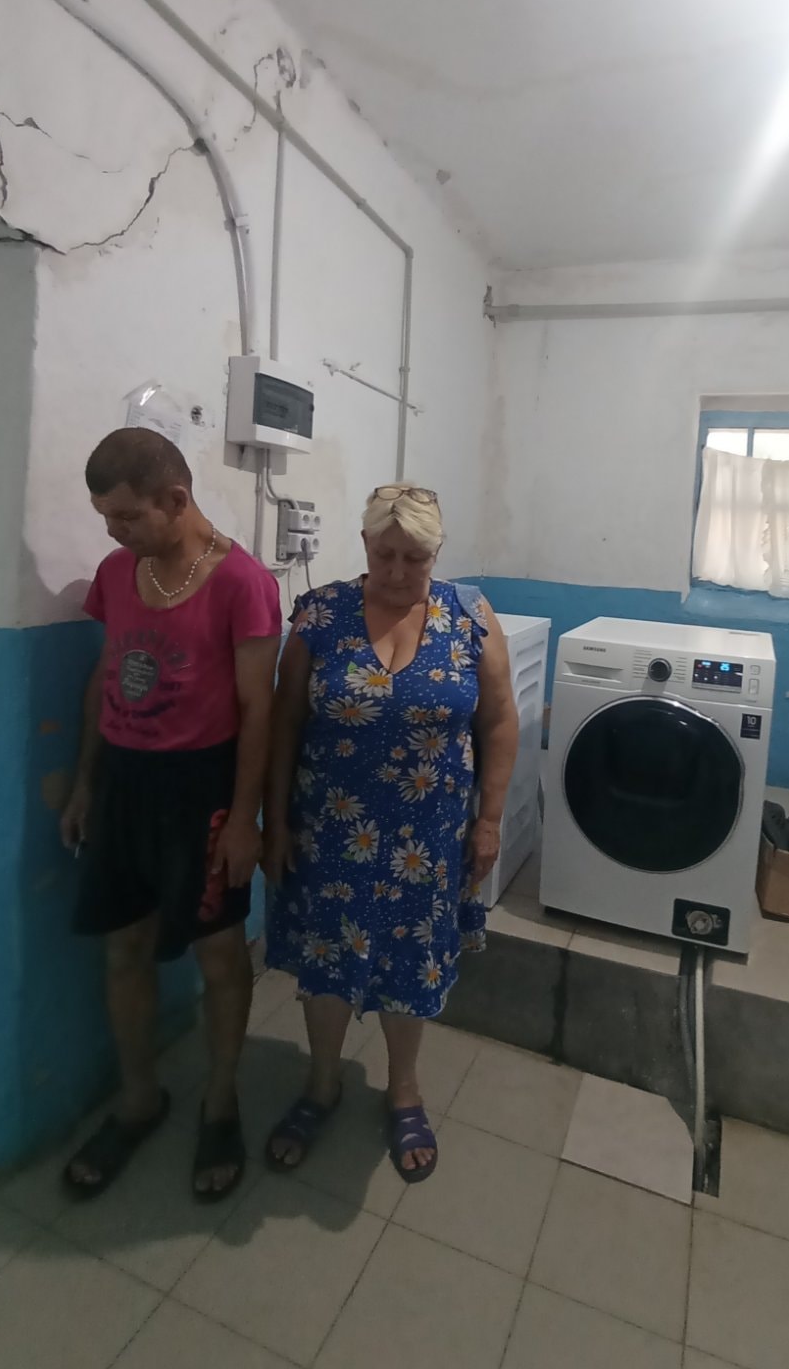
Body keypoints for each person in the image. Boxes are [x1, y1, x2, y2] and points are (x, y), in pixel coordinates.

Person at [263, 484, 518, 1182]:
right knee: (325, 962)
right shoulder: (321, 615)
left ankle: (403, 1089)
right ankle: (321, 1082)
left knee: (413, 964)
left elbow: (499, 721)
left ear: (438, 553)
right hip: (329, 834)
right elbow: (285, 722)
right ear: (365, 546)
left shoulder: (469, 617)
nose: (400, 571)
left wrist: (489, 820)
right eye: (386, 555)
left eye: (416, 558)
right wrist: (274, 820)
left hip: (426, 842)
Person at [59, 428, 280, 1201]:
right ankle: (138, 1098)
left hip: (203, 791)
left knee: (219, 955)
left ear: (176, 500)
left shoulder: (242, 583)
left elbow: (258, 710)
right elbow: (105, 673)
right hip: (125, 784)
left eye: (126, 517)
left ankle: (220, 1101)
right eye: (105, 518)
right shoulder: (117, 574)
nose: (113, 533)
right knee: (124, 946)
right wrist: (86, 782)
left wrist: (246, 820)